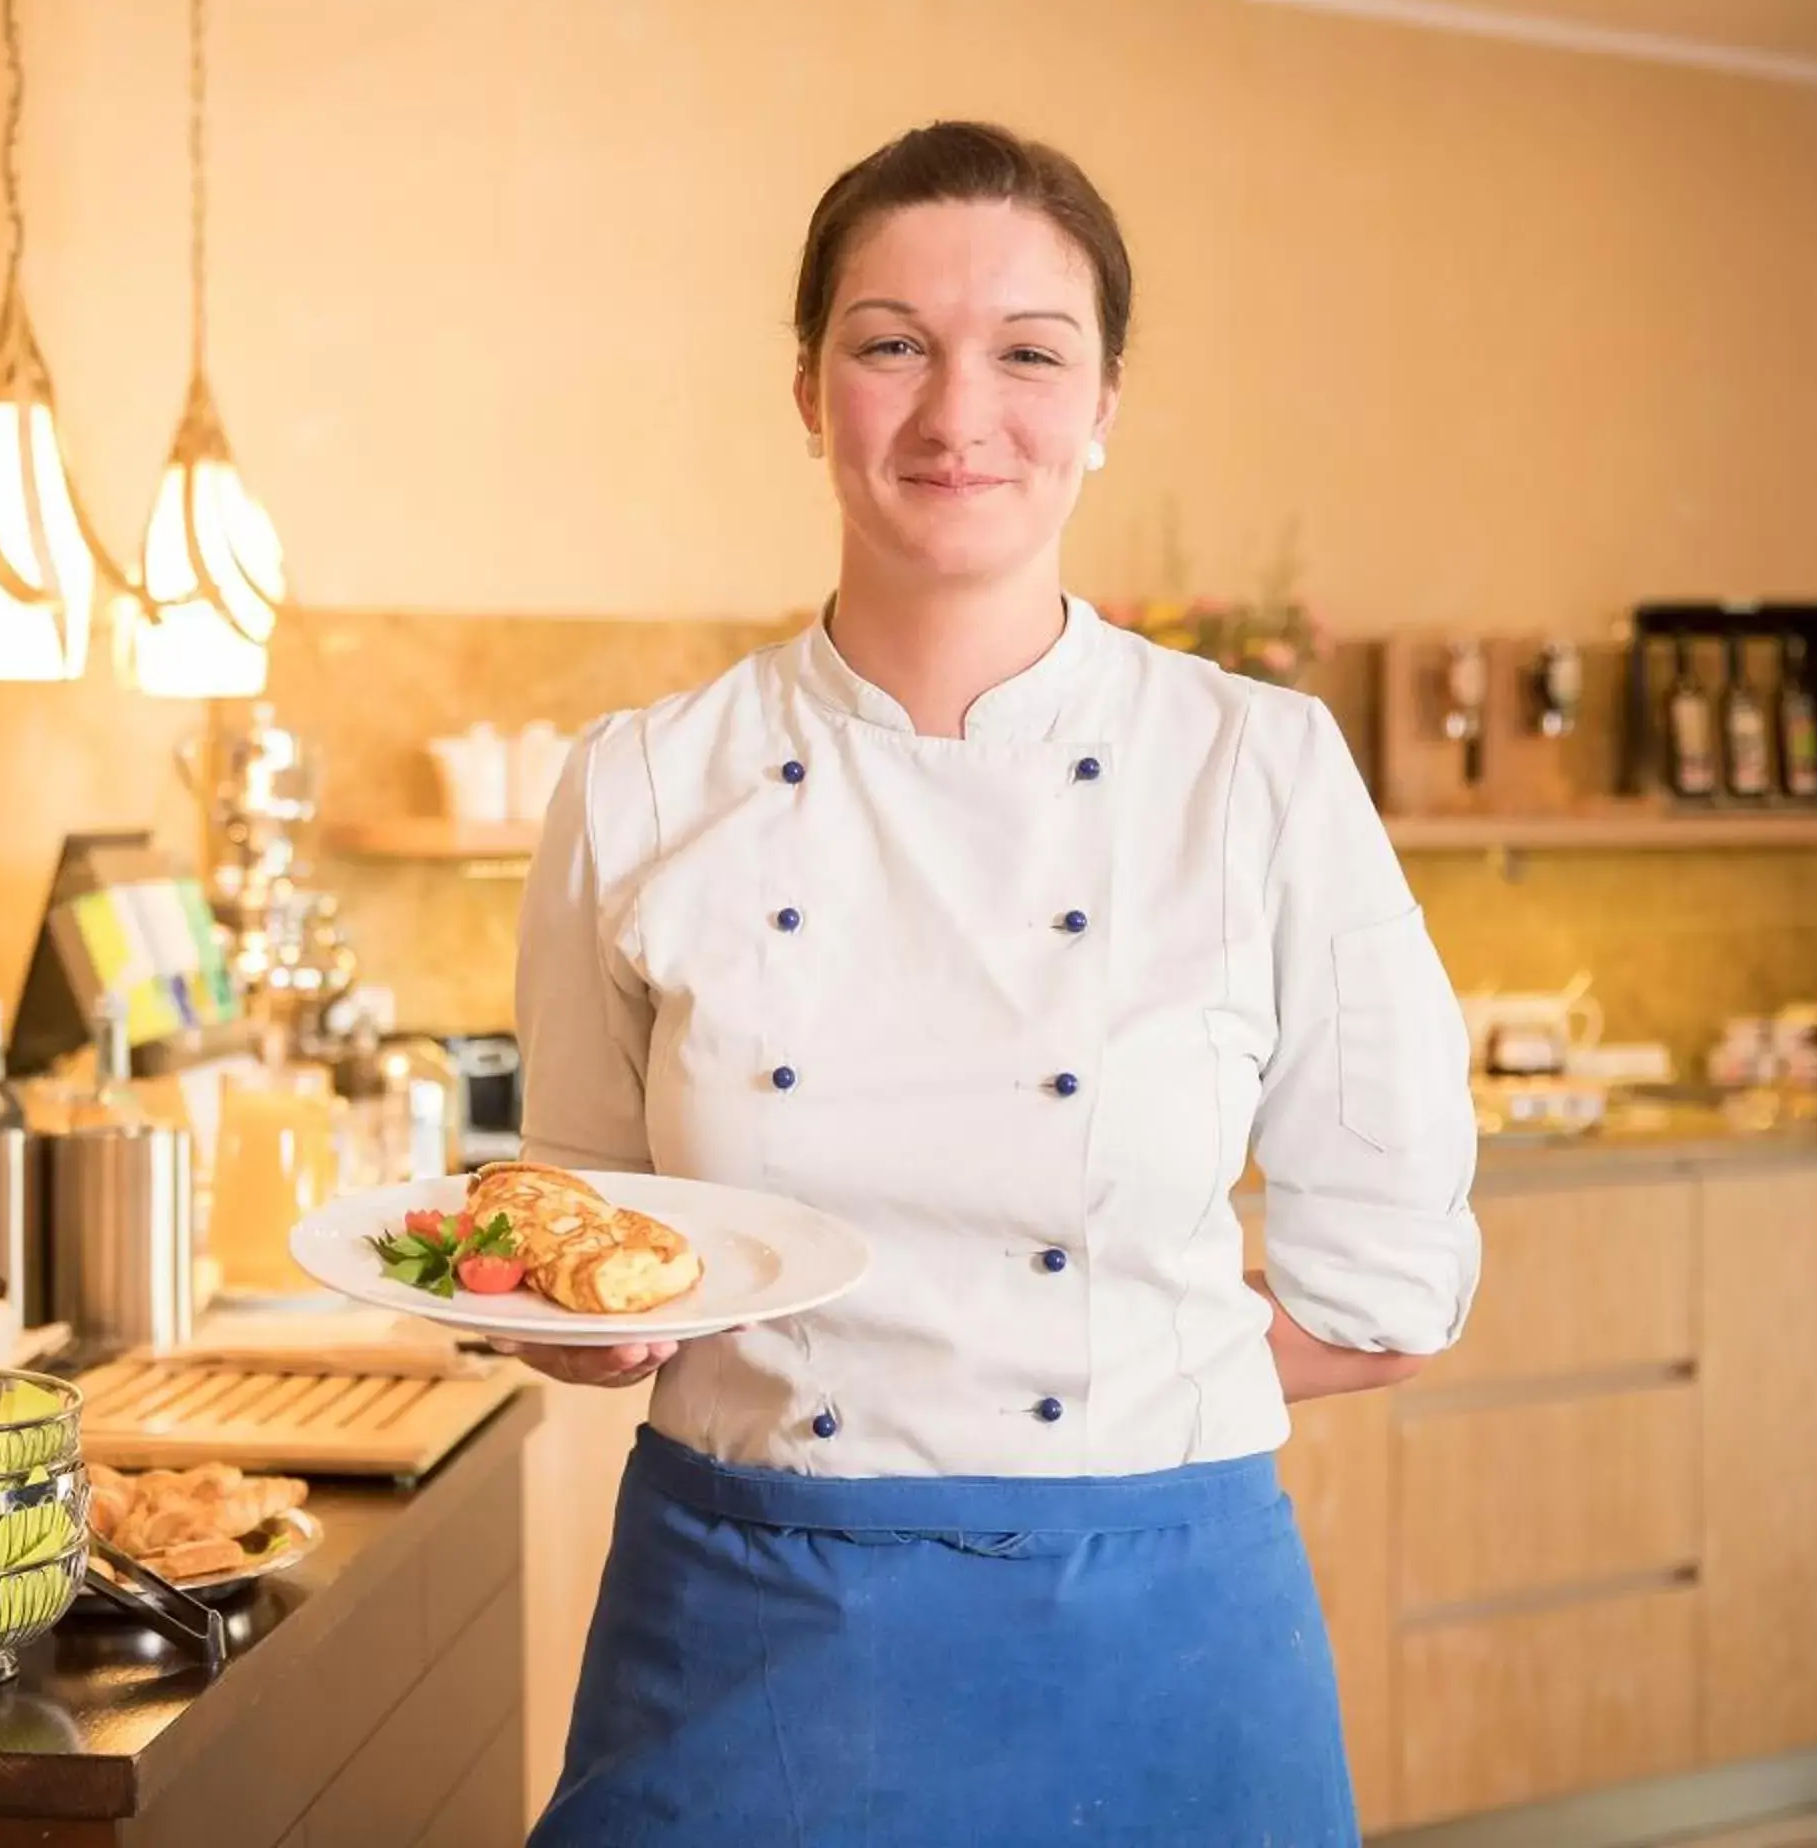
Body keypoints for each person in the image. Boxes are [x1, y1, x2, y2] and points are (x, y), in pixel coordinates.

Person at [510, 119, 1478, 1845]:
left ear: (1106, 404)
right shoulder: (646, 782)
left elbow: (1387, 1289)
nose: (960, 418)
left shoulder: (1257, 768)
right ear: (810, 390)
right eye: (891, 345)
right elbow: (590, 1242)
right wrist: (584, 1331)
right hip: (745, 1615)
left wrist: (1107, 1394)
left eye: (1032, 354)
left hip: (1159, 1623)